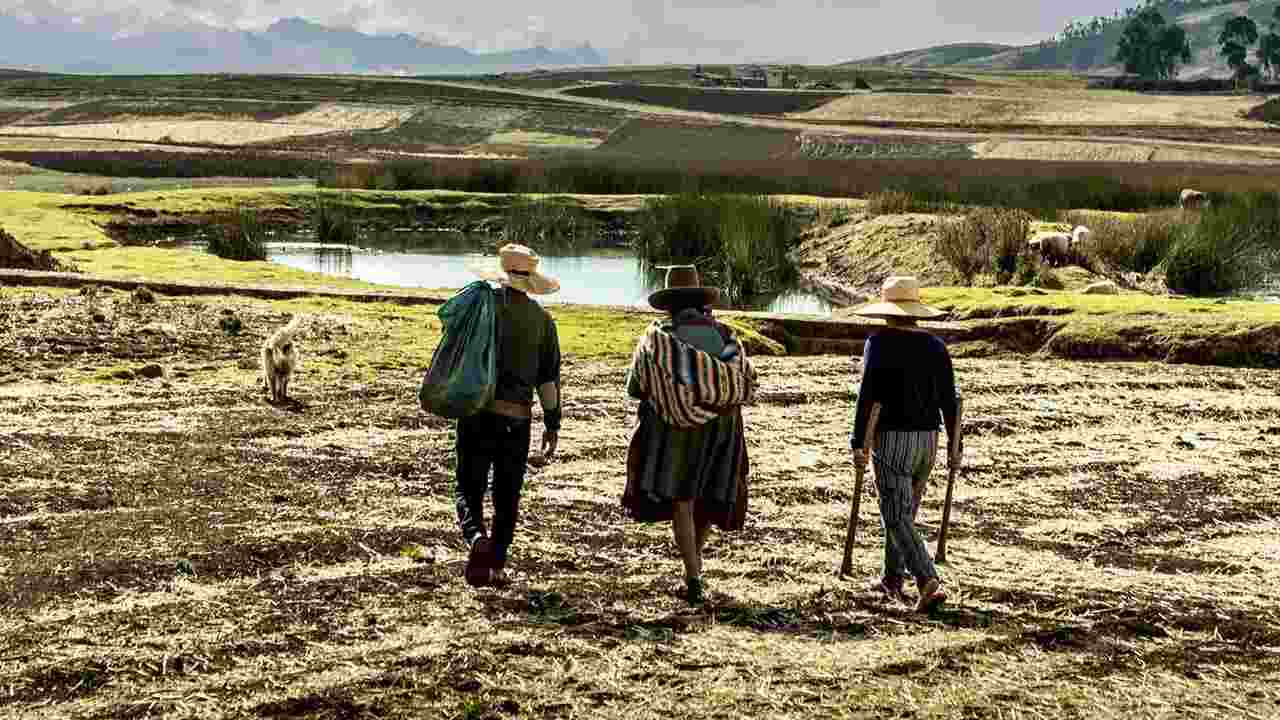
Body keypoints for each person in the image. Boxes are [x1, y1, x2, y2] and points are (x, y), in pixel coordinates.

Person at [623, 266, 756, 605]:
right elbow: (743, 380)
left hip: (678, 430)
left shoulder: (656, 339)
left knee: (683, 500)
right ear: (700, 300)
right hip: (723, 427)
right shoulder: (726, 336)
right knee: (707, 497)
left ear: (669, 304)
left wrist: (675, 394)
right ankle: (695, 565)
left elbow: (636, 388)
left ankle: (693, 575)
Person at [850, 276, 960, 613]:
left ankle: (927, 580)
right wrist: (955, 444)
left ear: (888, 311)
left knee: (896, 514)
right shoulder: (936, 346)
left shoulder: (879, 343)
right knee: (904, 512)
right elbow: (949, 400)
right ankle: (892, 578)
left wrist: (858, 441)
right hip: (928, 440)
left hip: (893, 439)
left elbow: (867, 394)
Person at [457, 244, 562, 588]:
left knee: (468, 487)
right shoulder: (543, 321)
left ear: (502, 274)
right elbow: (547, 382)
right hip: (516, 419)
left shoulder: (481, 308)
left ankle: (476, 538)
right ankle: (497, 567)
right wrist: (552, 424)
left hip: (476, 412)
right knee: (507, 495)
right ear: (531, 280)